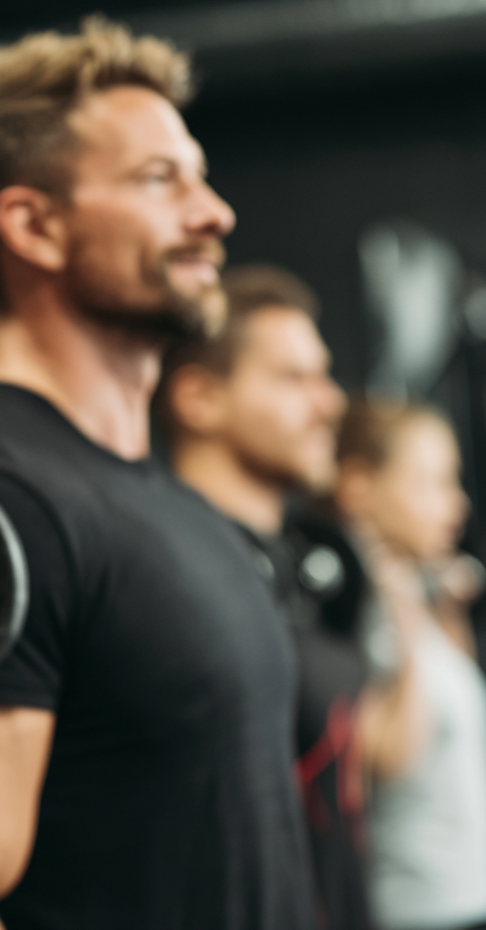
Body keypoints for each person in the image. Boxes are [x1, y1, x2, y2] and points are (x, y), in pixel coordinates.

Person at [0, 18, 318, 929]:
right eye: (159, 180)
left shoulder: (163, 497)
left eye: (200, 176)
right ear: (34, 226)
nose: (214, 212)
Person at [161, 265, 370, 930]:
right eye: (293, 379)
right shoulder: (171, 577)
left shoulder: (297, 565)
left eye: (324, 375)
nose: (330, 402)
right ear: (200, 398)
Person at [334, 400, 486, 930]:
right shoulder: (358, 614)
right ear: (360, 486)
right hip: (421, 913)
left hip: (480, 896)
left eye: (453, 483)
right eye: (431, 484)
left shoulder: (418, 595)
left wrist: (439, 608)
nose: (455, 507)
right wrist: (404, 612)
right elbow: (389, 759)